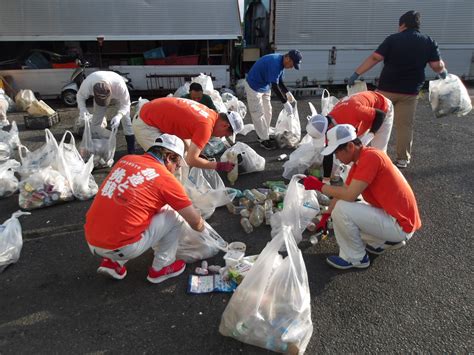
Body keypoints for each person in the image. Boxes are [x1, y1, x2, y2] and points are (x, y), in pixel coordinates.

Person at [85, 134, 206, 283]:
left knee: (129, 208)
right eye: (177, 165)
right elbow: (195, 222)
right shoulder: (166, 179)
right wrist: (205, 233)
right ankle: (161, 267)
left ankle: (112, 263)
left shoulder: (126, 160)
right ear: (169, 157)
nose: (175, 170)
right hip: (123, 247)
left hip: (91, 239)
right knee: (175, 216)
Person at [302, 124, 421, 269]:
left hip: (400, 225)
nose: (337, 158)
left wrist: (319, 186)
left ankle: (356, 258)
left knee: (342, 210)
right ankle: (383, 241)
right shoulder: (362, 159)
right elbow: (344, 192)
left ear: (350, 146)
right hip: (398, 219)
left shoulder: (371, 158)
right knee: (341, 210)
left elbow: (349, 195)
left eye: (337, 153)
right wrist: (326, 215)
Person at [347, 10, 447, 169]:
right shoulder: (428, 41)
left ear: (402, 25)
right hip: (410, 92)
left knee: (376, 121)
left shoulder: (393, 39)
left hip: (386, 90)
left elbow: (375, 58)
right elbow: (437, 66)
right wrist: (443, 73)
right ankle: (402, 159)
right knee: (405, 126)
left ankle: (368, 154)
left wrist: (357, 73)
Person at [132, 97, 244, 172]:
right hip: (146, 124)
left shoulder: (209, 113)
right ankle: (170, 202)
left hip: (151, 115)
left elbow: (183, 131)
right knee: (172, 166)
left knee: (181, 156)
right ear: (225, 125)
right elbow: (191, 160)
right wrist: (219, 166)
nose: (220, 137)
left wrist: (192, 151)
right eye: (224, 134)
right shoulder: (206, 127)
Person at [306, 90, 394, 179]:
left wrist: (371, 134)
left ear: (326, 130)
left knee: (379, 151)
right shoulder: (329, 125)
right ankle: (361, 178)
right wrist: (326, 179)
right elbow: (328, 154)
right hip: (365, 115)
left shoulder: (353, 110)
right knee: (356, 151)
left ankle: (385, 178)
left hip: (383, 108)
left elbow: (380, 115)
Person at [245, 49, 302, 150]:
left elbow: (279, 81)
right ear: (288, 58)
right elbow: (275, 86)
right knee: (258, 113)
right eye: (292, 64)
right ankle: (263, 140)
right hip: (254, 86)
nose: (292, 67)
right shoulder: (275, 63)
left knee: (268, 111)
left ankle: (264, 134)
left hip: (264, 86)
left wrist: (287, 92)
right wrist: (285, 103)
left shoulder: (281, 63)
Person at [77, 70, 135, 154]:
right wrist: (82, 109)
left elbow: (126, 104)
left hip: (118, 98)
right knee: (95, 124)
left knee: (126, 121)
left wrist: (119, 115)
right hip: (98, 99)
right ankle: (96, 149)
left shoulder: (119, 85)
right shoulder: (88, 84)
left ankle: (131, 151)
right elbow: (80, 96)